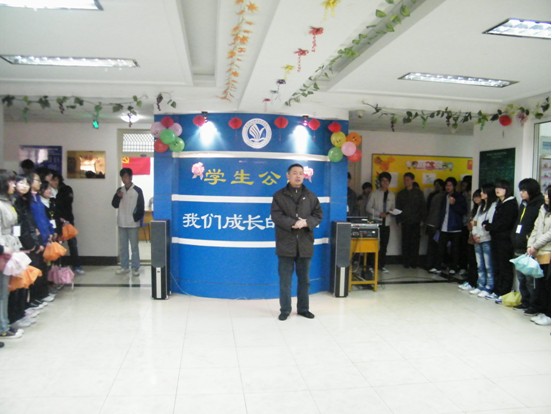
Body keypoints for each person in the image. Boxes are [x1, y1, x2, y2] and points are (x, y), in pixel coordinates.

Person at [270, 163, 322, 321]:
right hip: (286, 244)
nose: (298, 176)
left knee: (304, 280)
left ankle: (303, 309)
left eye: (300, 173)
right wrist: (294, 223)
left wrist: (306, 222)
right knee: (285, 281)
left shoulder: (311, 195)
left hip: (305, 244)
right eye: (294, 173)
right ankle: (285, 310)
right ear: (288, 176)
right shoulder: (279, 195)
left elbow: (318, 215)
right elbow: (276, 216)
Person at [512, 178, 544, 314]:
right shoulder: (523, 204)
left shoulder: (539, 204)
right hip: (518, 243)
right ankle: (525, 301)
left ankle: (533, 304)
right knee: (521, 277)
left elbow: (537, 227)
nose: (521, 193)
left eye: (524, 190)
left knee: (530, 278)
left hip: (530, 246)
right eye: (520, 190)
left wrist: (531, 241)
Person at [483, 179, 518, 302]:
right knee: (497, 266)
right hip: (496, 239)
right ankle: (497, 290)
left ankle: (504, 292)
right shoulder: (500, 203)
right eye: (497, 188)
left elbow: (504, 223)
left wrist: (490, 227)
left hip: (505, 240)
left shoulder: (510, 204)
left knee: (504, 267)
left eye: (501, 188)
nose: (497, 190)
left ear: (507, 190)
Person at [0, 169, 23, 340]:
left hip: (10, 245)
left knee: (6, 289)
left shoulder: (9, 202)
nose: (14, 185)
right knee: (2, 291)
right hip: (3, 248)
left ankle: (6, 322)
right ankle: (2, 327)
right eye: (11, 182)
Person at [111, 168, 145, 277]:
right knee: (123, 247)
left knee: (134, 247)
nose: (124, 179)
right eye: (122, 177)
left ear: (130, 177)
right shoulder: (120, 190)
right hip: (121, 222)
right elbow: (114, 204)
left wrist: (135, 218)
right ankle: (124, 267)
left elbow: (141, 207)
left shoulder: (137, 190)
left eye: (126, 176)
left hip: (133, 224)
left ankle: (135, 267)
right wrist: (117, 196)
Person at [50, 172, 84, 275]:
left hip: (67, 220)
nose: (53, 182)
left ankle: (76, 265)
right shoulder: (48, 191)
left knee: (72, 243)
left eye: (55, 180)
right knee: (56, 244)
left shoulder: (66, 189)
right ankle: (56, 268)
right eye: (52, 180)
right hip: (55, 222)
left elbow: (67, 202)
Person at [527, 185, 550, 326]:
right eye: (545, 194)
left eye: (548, 194)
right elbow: (536, 229)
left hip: (548, 251)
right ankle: (542, 311)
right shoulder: (543, 209)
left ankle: (549, 314)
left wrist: (535, 246)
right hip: (539, 251)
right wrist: (530, 245)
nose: (546, 197)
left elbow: (550, 234)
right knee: (540, 283)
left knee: (548, 284)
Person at [468, 184, 497, 297]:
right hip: (477, 238)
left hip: (486, 239)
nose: (481, 194)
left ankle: (489, 287)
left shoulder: (493, 206)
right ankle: (480, 285)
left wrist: (480, 235)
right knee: (480, 264)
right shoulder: (481, 206)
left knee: (488, 265)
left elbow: (489, 223)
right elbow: (474, 221)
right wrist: (475, 234)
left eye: (483, 192)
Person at [437, 177, 467, 277]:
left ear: (454, 186)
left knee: (455, 249)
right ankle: (441, 265)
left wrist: (454, 204)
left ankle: (453, 267)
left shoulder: (459, 197)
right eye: (446, 185)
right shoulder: (444, 196)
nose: (447, 187)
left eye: (450, 185)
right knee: (441, 247)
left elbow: (463, 211)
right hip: (444, 226)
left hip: (455, 227)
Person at [366, 172, 395, 273]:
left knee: (384, 245)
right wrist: (379, 214)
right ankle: (371, 265)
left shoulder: (392, 195)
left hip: (386, 223)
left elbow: (393, 207)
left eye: (387, 181)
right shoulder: (374, 193)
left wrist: (392, 211)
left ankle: (381, 265)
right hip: (374, 222)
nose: (385, 183)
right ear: (380, 182)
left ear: (389, 182)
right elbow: (368, 208)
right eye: (383, 181)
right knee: (373, 244)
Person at [395, 172, 426, 268]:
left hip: (416, 221)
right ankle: (406, 262)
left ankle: (414, 262)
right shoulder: (401, 193)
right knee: (405, 242)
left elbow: (423, 207)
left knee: (415, 242)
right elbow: (398, 207)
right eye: (404, 180)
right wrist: (398, 220)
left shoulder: (419, 193)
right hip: (405, 221)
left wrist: (423, 219)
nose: (405, 182)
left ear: (412, 180)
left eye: (407, 180)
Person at [425, 179, 445, 273]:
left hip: (432, 222)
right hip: (435, 223)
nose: (436, 187)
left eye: (438, 185)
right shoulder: (440, 196)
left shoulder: (435, 196)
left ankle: (431, 264)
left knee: (433, 245)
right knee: (434, 245)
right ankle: (433, 264)